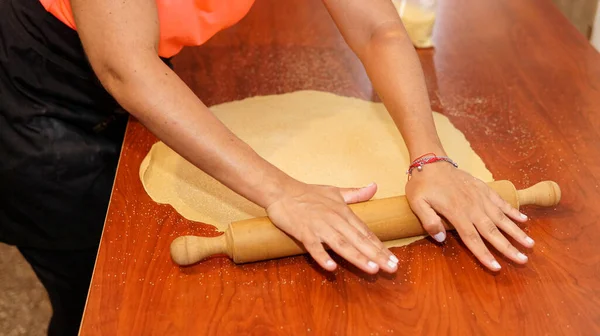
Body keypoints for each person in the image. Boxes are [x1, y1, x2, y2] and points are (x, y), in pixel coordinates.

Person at [0, 0, 535, 334]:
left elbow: (377, 29)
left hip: (139, 80)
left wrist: (429, 158)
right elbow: (126, 68)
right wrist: (282, 191)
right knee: (102, 298)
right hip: (35, 98)